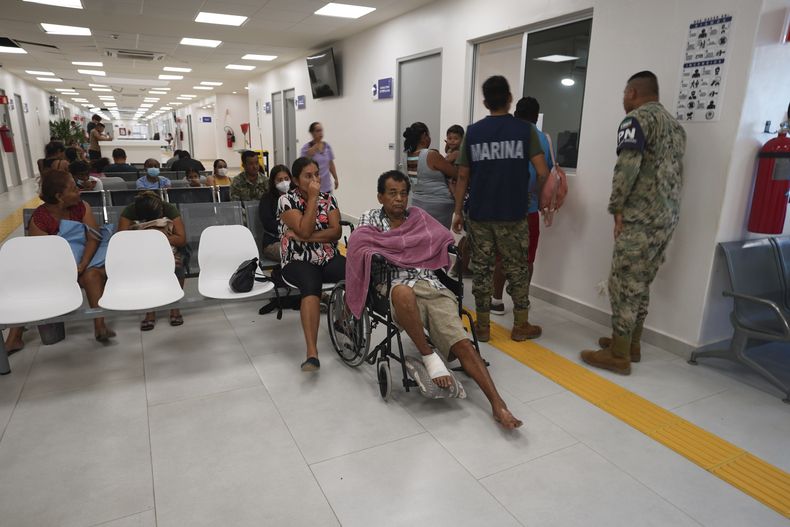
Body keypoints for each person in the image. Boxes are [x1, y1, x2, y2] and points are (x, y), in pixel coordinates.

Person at [356, 170, 522, 429]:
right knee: (402, 292)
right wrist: (387, 251)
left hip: (430, 284)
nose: (399, 199)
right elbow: (359, 247)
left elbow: (443, 238)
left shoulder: (419, 217)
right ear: (380, 197)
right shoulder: (370, 219)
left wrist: (437, 248)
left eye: (403, 194)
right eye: (392, 194)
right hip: (391, 286)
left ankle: (498, 405)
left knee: (464, 345)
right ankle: (429, 356)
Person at [582, 71, 686, 375]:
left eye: (624, 94)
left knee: (624, 284)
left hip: (640, 217)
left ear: (631, 93)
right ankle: (631, 343)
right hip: (666, 218)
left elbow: (627, 168)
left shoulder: (635, 120)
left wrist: (617, 208)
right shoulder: (676, 128)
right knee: (641, 282)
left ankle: (619, 355)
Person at [452, 75, 550, 343]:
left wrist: (458, 211)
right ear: (509, 99)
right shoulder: (525, 131)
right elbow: (542, 172)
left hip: (481, 214)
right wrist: (531, 194)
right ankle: (520, 325)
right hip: (514, 214)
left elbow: (462, 176)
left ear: (485, 102)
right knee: (517, 268)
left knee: (482, 270)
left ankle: (482, 327)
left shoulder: (472, 133)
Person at [3, 171, 115, 353]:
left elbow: (93, 238)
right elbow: (42, 256)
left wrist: (83, 264)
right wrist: (68, 269)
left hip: (86, 257)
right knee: (27, 282)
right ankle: (14, 338)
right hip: (55, 266)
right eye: (73, 189)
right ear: (59, 196)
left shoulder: (81, 207)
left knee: (91, 275)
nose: (78, 191)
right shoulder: (40, 220)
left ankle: (100, 326)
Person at [278, 157, 345, 371]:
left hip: (326, 256)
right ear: (296, 181)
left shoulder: (329, 199)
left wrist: (305, 238)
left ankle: (343, 321)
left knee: (353, 270)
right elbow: (305, 228)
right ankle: (312, 353)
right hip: (297, 259)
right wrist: (314, 199)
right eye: (308, 176)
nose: (315, 179)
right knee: (311, 283)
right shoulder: (287, 201)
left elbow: (336, 233)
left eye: (317, 174)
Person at [491, 97, 553, 316]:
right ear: (536, 116)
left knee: (501, 257)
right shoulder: (543, 139)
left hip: (504, 207)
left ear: (516, 112)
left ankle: (496, 301)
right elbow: (545, 173)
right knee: (527, 259)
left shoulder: (505, 133)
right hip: (530, 208)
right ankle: (521, 303)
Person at [118, 191, 187, 330]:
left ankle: (175, 307)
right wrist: (144, 238)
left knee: (178, 266)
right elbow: (121, 240)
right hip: (139, 249)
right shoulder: (130, 211)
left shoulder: (169, 209)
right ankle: (150, 310)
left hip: (169, 247)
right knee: (145, 270)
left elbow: (181, 239)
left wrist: (157, 238)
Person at [403, 122, 458, 229]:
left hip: (417, 203)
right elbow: (455, 173)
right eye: (428, 135)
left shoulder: (406, 156)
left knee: (423, 237)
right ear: (424, 136)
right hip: (439, 204)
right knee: (439, 239)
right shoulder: (430, 154)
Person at [259, 164, 292, 262]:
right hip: (273, 242)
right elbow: (268, 223)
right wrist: (289, 228)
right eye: (280, 180)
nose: (284, 182)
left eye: (286, 179)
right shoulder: (267, 199)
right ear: (273, 182)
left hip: (295, 239)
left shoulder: (295, 196)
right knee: (294, 252)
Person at [300, 122, 339, 192]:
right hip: (313, 187)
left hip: (327, 187)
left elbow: (331, 164)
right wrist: (311, 152)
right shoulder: (306, 148)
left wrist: (336, 178)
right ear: (312, 133)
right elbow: (302, 168)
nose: (320, 133)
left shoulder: (327, 146)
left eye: (321, 130)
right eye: (318, 131)